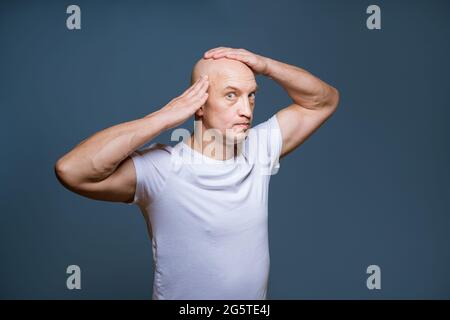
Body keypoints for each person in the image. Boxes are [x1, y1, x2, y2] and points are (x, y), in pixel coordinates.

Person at [55, 47, 340, 299]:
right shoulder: (162, 168)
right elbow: (71, 170)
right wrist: (163, 118)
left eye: (251, 96)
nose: (246, 110)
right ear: (199, 104)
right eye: (231, 95)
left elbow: (323, 100)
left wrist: (265, 65)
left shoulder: (258, 150)